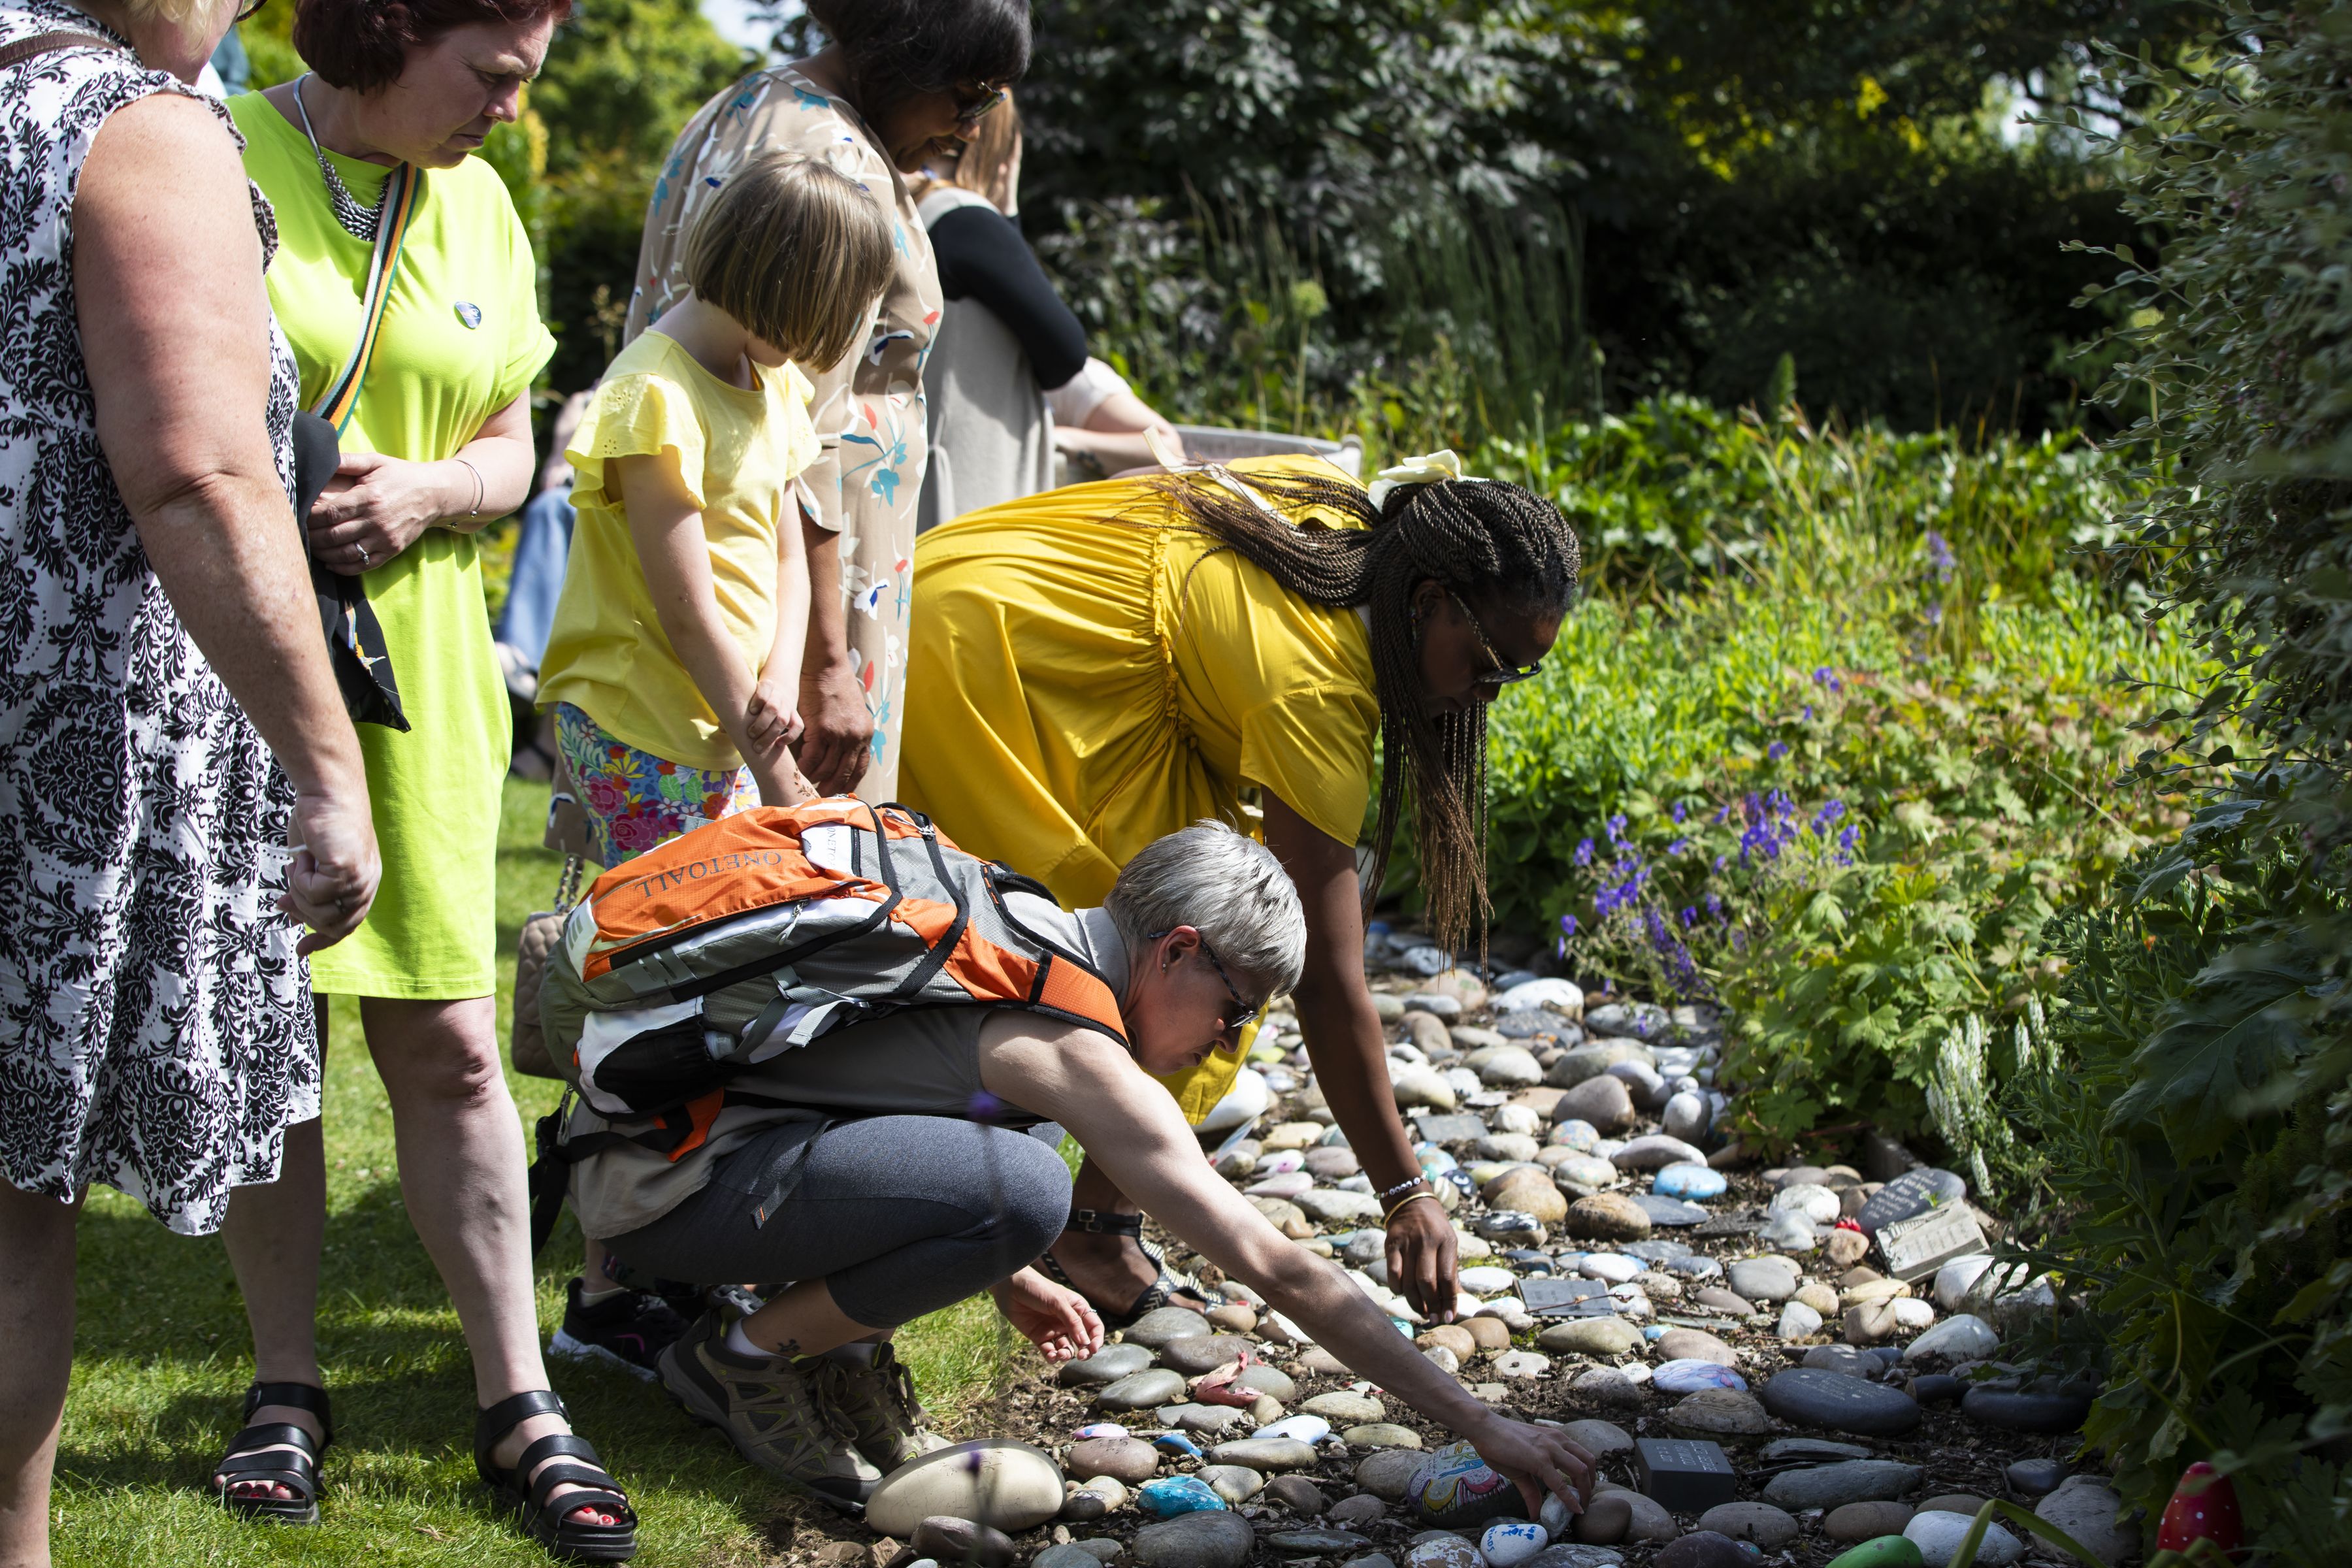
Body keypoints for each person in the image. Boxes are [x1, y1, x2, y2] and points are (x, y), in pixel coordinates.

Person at [559, 822, 1597, 1518]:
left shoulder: (1018, 924)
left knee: (1010, 1178)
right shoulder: (1069, 1043)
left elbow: (871, 1088)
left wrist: (1004, 1272)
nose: (1226, 1041)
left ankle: (833, 1350)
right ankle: (739, 1360)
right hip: (668, 1198)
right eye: (1236, 1011)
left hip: (654, 1162)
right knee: (1028, 1187)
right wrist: (1480, 1423)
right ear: (1177, 950)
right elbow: (1273, 1266)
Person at [215, 1, 640, 1558]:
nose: (510, 114)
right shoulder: (213, 153)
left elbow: (517, 441)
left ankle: (516, 1395)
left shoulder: (481, 203)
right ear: (391, 27)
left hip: (430, 678)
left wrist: (438, 486)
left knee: (455, 1045)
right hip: (238, 665)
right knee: (273, 1035)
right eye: (495, 76)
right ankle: (285, 1379)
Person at [900, 453, 1579, 1328]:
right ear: (1427, 601)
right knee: (1193, 952)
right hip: (994, 652)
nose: (1488, 695)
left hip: (1007, 598)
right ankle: (1024, 1206)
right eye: (1488, 663)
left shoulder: (1354, 529)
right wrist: (1406, 1191)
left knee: (1215, 934)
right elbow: (1329, 982)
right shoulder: (1316, 686)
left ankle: (1092, 1210)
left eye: (1517, 675)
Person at [0, 0, 381, 1560]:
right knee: (10, 1211)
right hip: (48, 739)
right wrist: (327, 761)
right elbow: (202, 472)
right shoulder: (135, 127)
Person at [532, 152, 894, 1364]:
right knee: (658, 983)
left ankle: (660, 1244)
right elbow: (684, 602)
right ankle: (605, 1286)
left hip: (722, 721)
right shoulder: (655, 395)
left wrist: (779, 700)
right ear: (788, 281)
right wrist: (755, 726)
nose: (833, 340)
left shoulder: (761, 376)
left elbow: (787, 553)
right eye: (834, 313)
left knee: (714, 974)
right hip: (640, 723)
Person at [627, 0, 1031, 802]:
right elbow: (794, 430)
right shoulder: (832, 155)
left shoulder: (750, 104)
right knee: (779, 883)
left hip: (715, 593)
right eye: (969, 95)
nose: (973, 129)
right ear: (902, 52)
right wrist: (827, 664)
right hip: (793, 611)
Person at [911, 91, 1183, 533]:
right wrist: (1006, 209)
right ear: (999, 146)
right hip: (958, 482)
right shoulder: (963, 220)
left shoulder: (904, 210)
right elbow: (1062, 351)